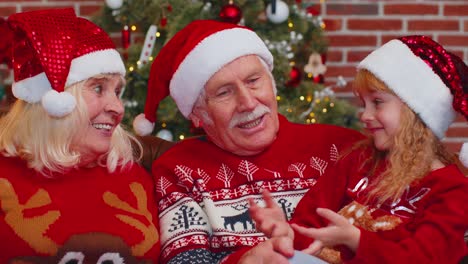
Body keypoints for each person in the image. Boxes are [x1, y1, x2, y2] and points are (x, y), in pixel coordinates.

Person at [132, 20, 363, 263]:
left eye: (253, 81)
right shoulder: (179, 169)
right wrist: (245, 259)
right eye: (224, 92)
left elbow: (392, 233)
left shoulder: (342, 147)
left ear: (272, 85)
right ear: (198, 116)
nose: (248, 103)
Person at [249, 35, 468, 263]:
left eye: (377, 102)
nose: (365, 116)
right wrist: (288, 233)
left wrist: (355, 240)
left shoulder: (451, 190)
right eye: (364, 104)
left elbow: (424, 258)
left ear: (415, 111)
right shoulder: (358, 161)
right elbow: (310, 225)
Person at [0, 9, 160, 263]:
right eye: (98, 88)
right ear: (54, 100)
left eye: (117, 92)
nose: (118, 108)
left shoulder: (134, 177)